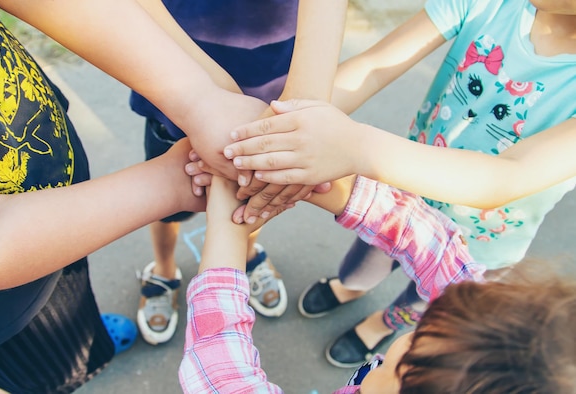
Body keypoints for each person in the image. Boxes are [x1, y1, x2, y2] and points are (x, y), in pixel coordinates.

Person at [0, 0, 292, 391]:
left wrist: (202, 100)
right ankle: (65, 363)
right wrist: (175, 180)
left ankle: (87, 337)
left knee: (74, 308)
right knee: (44, 371)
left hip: (51, 198)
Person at [220, 0, 576, 367]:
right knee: (361, 265)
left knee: (424, 301)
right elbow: (373, 67)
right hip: (399, 198)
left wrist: (352, 145)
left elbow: (506, 175)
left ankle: (381, 323)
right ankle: (350, 287)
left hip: (481, 242)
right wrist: (270, 136)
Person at [180, 175, 575, 393]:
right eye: (427, 331)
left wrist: (227, 233)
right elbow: (434, 249)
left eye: (409, 357)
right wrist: (325, 185)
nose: (406, 342)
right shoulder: (494, 335)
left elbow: (221, 376)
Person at [128, 0, 347, 345]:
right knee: (170, 201)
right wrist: (208, 96)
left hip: (272, 68)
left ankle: (246, 253)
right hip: (172, 70)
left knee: (254, 188)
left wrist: (298, 120)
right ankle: (164, 269)